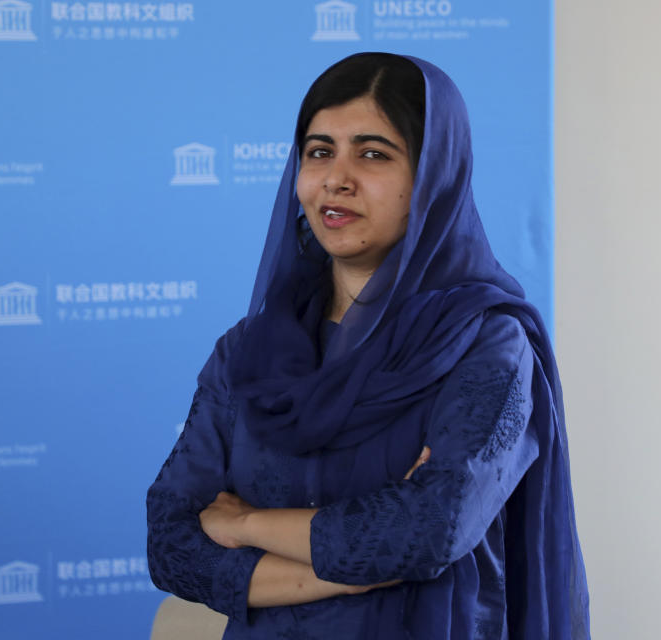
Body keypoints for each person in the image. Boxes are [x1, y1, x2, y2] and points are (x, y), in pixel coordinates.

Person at [147, 52, 590, 639]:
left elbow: (432, 530)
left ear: (435, 175)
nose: (337, 177)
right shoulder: (247, 352)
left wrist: (247, 522)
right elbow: (172, 546)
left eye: (374, 153)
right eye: (319, 151)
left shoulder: (483, 342)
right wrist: (352, 570)